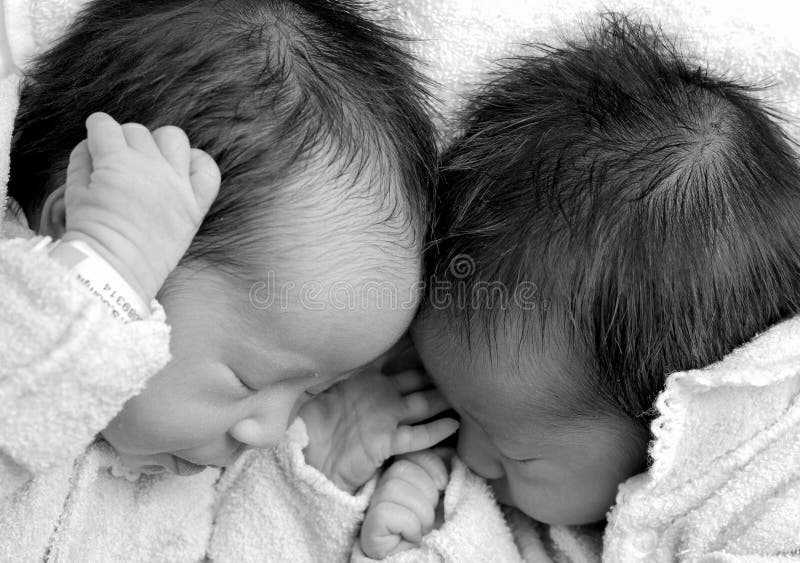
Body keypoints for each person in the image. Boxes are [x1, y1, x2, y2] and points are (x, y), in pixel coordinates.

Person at [1, 0, 450, 560]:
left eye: (312, 392)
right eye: (248, 379)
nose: (267, 432)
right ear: (78, 235)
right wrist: (90, 289)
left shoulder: (183, 477)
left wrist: (305, 482)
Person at [356, 15, 800, 560]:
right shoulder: (516, 449)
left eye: (517, 454)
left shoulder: (766, 506)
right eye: (454, 407)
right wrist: (426, 500)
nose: (470, 456)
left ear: (667, 431)